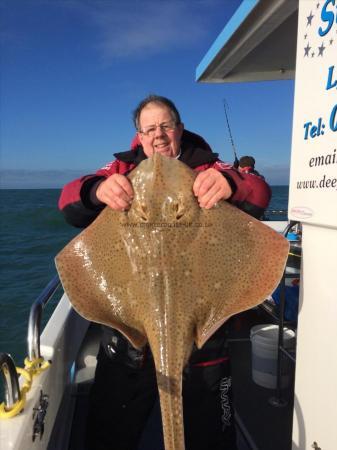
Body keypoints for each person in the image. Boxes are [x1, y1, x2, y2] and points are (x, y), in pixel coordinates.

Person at [58, 95, 271, 450]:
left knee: (211, 435)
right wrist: (96, 191)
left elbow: (259, 192)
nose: (158, 135)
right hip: (130, 333)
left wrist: (234, 185)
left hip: (203, 329)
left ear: (180, 129)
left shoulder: (210, 170)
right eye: (149, 128)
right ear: (139, 136)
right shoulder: (120, 172)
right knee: (110, 430)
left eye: (166, 125)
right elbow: (67, 203)